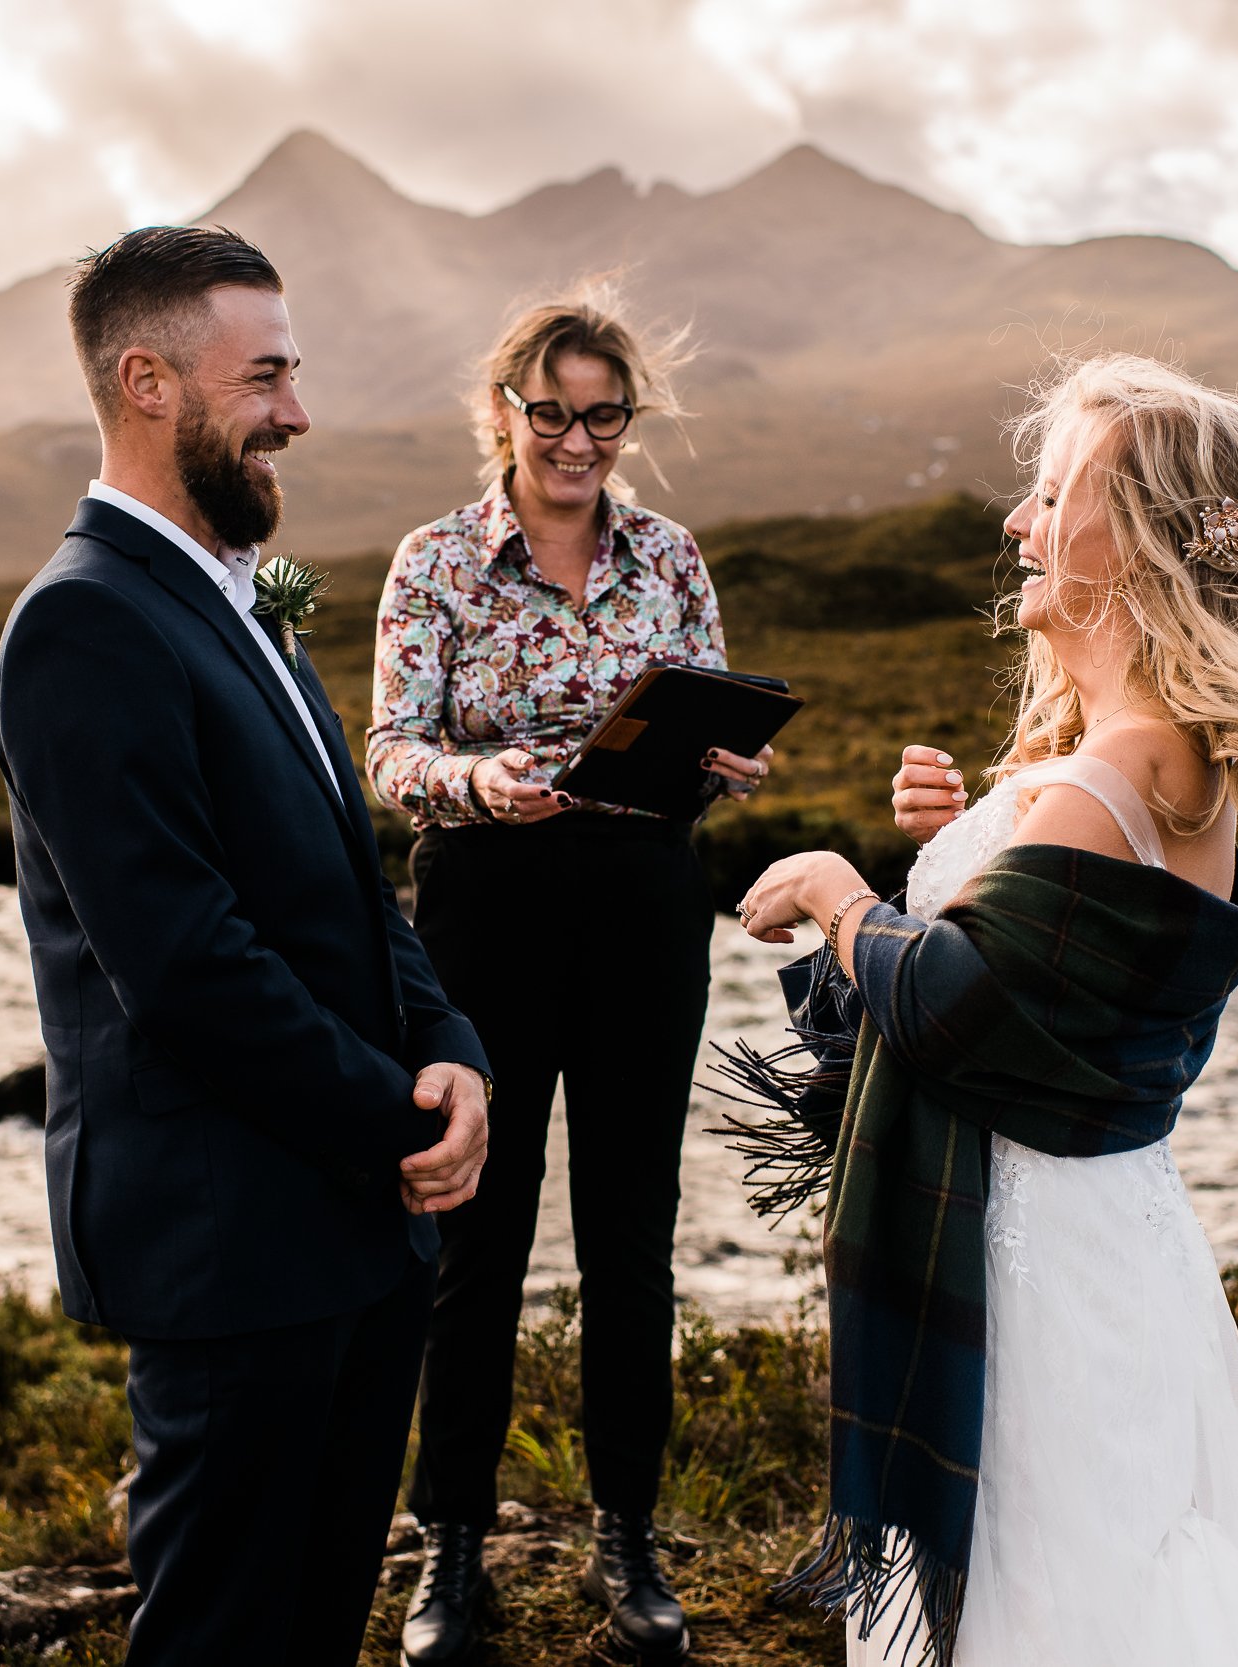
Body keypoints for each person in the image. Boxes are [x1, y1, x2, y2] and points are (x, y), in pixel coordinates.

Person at [733, 354, 1238, 1666]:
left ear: (1141, 537)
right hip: (1094, 1236)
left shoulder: (1119, 766)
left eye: (1048, 494)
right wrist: (971, 828)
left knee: (1042, 1582)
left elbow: (961, 1008)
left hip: (1024, 1258)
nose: (1018, 524)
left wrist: (840, 891)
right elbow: (1051, 973)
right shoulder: (1133, 756)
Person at [0, 225, 493, 1666]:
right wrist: (395, 1117)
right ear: (147, 382)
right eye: (265, 375)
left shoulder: (252, 598)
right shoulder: (83, 622)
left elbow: (345, 877)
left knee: (316, 1627)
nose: (298, 410)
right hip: (227, 1248)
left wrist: (450, 1045)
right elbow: (186, 967)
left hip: (353, 1230)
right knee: (220, 1638)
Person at [368, 287, 771, 1666]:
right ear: (506, 412)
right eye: (555, 413)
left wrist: (723, 764)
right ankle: (451, 1548)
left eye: (607, 416)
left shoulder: (670, 556)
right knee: (475, 1227)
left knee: (631, 1229)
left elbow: (701, 717)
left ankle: (627, 1537)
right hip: (482, 902)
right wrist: (479, 783)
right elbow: (391, 754)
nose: (580, 440)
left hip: (648, 902)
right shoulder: (434, 563)